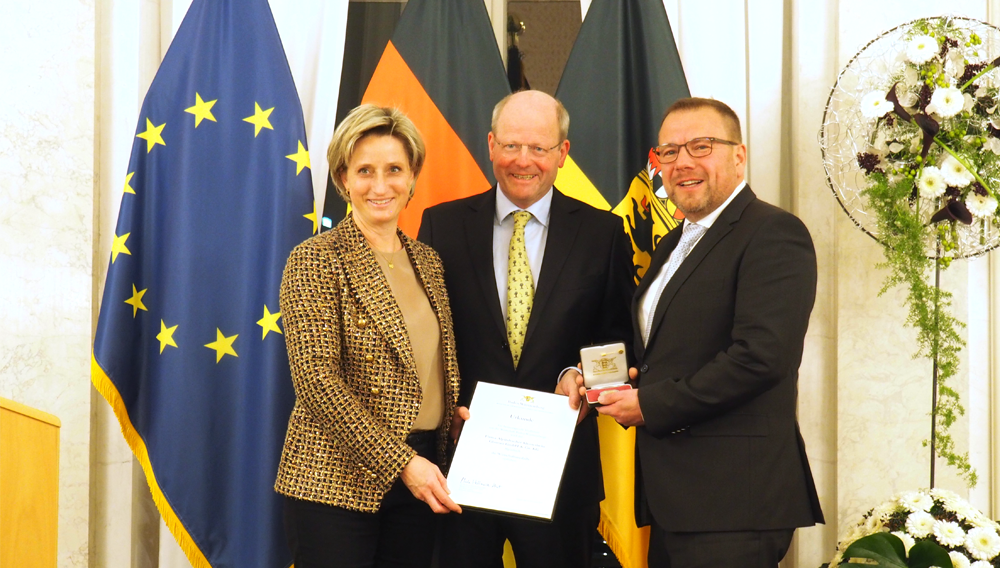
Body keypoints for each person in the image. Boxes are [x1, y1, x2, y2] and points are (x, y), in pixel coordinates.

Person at [592, 97, 824, 568]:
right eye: (670, 152)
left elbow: (761, 357)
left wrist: (649, 405)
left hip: (734, 501)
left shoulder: (774, 233)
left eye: (701, 146)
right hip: (678, 498)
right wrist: (596, 379)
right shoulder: (677, 242)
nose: (683, 163)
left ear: (739, 155)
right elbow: (666, 353)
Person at [418, 89, 635, 568]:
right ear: (491, 145)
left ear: (562, 153)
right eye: (512, 145)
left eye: (539, 148)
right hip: (463, 470)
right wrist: (444, 406)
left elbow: (617, 341)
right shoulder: (441, 226)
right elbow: (425, 340)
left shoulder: (603, 234)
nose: (524, 160)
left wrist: (585, 383)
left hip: (560, 476)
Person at [274, 104, 462, 568]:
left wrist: (452, 419)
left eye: (394, 169)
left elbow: (432, 366)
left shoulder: (430, 262)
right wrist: (402, 463)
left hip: (422, 473)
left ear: (412, 175)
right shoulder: (314, 259)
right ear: (342, 179)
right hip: (335, 480)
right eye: (365, 171)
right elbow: (317, 384)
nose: (381, 186)